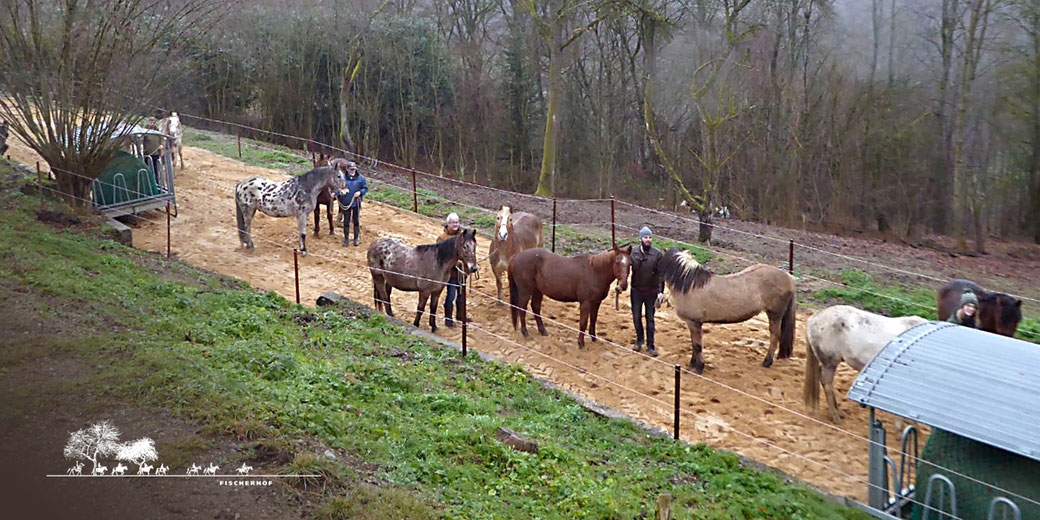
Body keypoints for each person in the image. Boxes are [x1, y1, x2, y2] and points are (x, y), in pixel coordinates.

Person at [630, 226, 666, 356]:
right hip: (636, 291)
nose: (648, 240)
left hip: (651, 291)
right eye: (645, 237)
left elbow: (661, 274)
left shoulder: (657, 254)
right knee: (636, 316)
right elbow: (623, 268)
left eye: (650, 237)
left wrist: (661, 291)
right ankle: (639, 341)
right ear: (640, 238)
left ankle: (651, 345)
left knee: (650, 319)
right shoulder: (633, 253)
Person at [437, 212, 465, 326]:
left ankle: (460, 315)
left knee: (461, 295)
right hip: (450, 273)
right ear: (448, 224)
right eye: (453, 222)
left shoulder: (462, 235)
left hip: (462, 272)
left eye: (457, 222)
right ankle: (448, 318)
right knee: (451, 295)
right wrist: (454, 262)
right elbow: (440, 256)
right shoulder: (442, 238)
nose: (455, 225)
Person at [335, 161, 368, 246]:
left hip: (356, 203)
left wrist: (360, 193)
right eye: (351, 169)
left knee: (355, 220)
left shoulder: (361, 178)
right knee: (346, 221)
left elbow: (365, 188)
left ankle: (356, 238)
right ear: (347, 170)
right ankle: (346, 239)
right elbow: (338, 188)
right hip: (346, 203)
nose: (352, 171)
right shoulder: (343, 179)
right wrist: (335, 193)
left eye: (353, 169)